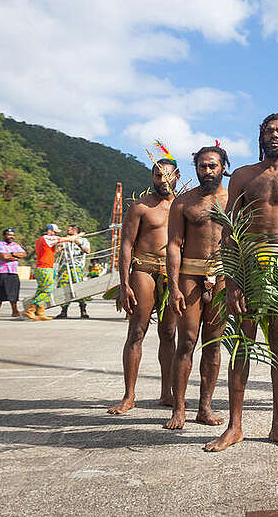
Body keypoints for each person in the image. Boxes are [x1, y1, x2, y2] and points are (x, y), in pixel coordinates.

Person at [204, 113, 278, 452]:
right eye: (268, 131)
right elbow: (228, 229)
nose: (273, 136)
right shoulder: (242, 176)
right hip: (249, 263)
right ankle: (235, 426)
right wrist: (231, 277)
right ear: (260, 136)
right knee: (242, 343)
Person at [163, 145, 229, 430]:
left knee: (213, 345)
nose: (207, 171)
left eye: (212, 166)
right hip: (190, 276)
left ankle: (205, 406)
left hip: (223, 277)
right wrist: (174, 286)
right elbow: (174, 246)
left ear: (223, 167)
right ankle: (179, 409)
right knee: (187, 342)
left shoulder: (234, 200)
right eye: (202, 166)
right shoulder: (184, 203)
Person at [108, 158, 180, 415]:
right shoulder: (140, 207)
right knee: (137, 331)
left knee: (169, 333)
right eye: (157, 176)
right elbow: (126, 245)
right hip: (144, 269)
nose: (162, 181)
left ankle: (167, 393)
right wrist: (124, 283)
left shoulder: (181, 207)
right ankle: (129, 396)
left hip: (172, 273)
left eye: (167, 176)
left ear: (178, 176)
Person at [24, 224, 81, 321]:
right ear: (49, 231)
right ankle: (31, 309)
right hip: (45, 268)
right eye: (54, 232)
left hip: (40, 267)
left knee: (41, 290)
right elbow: (69, 239)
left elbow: (49, 252)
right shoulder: (47, 238)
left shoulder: (40, 240)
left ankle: (40, 312)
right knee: (47, 290)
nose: (54, 234)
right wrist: (79, 235)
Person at [55, 224, 92, 319]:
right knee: (63, 287)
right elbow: (57, 251)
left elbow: (87, 251)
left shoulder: (83, 240)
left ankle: (83, 310)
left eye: (69, 229)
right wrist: (59, 248)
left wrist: (78, 242)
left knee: (79, 288)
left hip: (77, 267)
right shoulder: (65, 240)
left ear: (75, 230)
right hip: (65, 267)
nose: (67, 230)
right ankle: (64, 311)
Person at [0, 228, 26, 319]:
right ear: (4, 236)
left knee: (13, 292)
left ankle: (15, 311)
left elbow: (24, 254)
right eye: (9, 235)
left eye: (13, 235)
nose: (11, 237)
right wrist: (15, 257)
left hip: (12, 272)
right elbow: (4, 256)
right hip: (0, 272)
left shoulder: (16, 245)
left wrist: (12, 253)